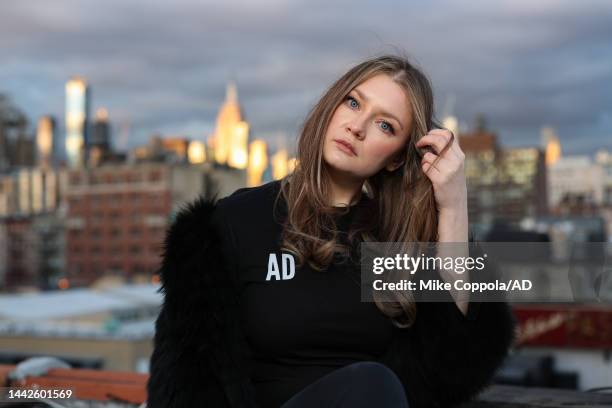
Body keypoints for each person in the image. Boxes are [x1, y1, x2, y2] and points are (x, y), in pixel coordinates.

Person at [146, 54, 516, 408]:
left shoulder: (394, 244)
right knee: (371, 383)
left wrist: (452, 205)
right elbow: (184, 382)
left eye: (385, 125)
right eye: (354, 103)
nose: (357, 126)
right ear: (332, 106)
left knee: (372, 385)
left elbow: (455, 366)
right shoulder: (233, 223)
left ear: (397, 158)